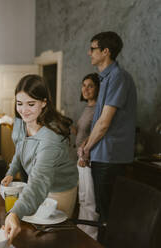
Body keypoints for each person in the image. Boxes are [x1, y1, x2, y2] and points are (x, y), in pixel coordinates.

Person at [2, 74, 78, 243]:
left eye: (31, 104)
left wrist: (15, 213)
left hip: (59, 190)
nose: (24, 110)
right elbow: (20, 149)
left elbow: (39, 181)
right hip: (37, 184)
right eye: (19, 103)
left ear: (44, 102)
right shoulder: (20, 122)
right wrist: (11, 171)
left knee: (50, 239)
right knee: (31, 234)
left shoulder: (50, 139)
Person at [78, 31, 137, 242]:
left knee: (107, 216)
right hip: (102, 155)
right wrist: (86, 143)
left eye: (93, 48)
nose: (89, 53)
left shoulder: (118, 77)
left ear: (106, 51)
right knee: (101, 212)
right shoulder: (106, 78)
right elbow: (98, 121)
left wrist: (86, 148)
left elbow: (104, 124)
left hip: (110, 157)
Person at [74, 73, 100, 239]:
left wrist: (85, 156)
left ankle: (91, 235)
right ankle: (83, 229)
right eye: (84, 85)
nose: (86, 89)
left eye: (90, 85)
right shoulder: (88, 108)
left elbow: (97, 135)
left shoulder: (99, 109)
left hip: (88, 158)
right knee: (82, 198)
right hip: (80, 158)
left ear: (98, 88)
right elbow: (85, 131)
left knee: (89, 200)